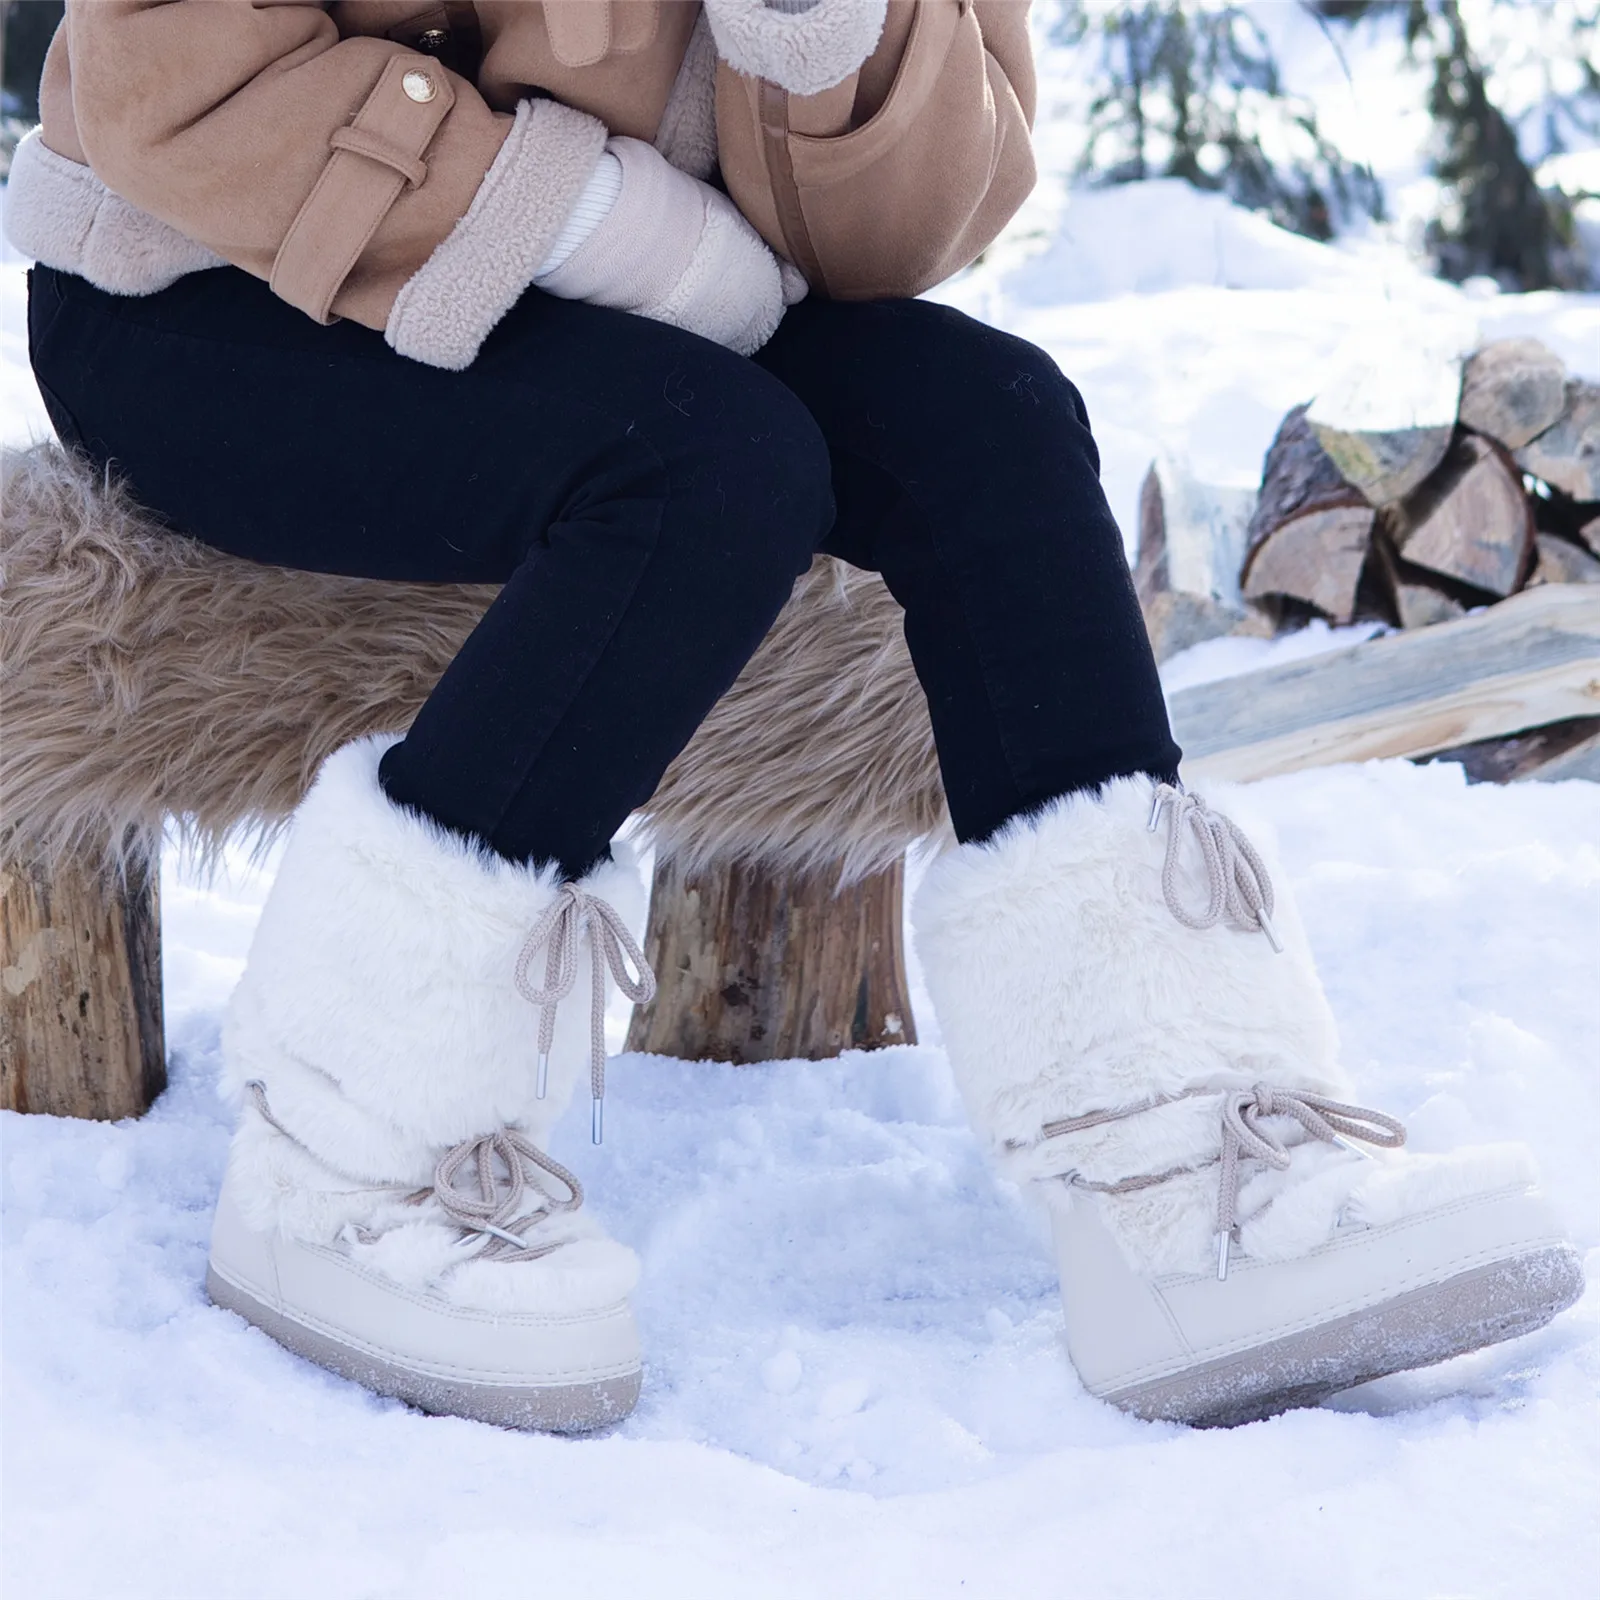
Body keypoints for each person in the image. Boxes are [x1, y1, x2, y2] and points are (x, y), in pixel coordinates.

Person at [11, 1, 1581, 1433]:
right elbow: (180, 85)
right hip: (208, 285)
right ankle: (344, 1159)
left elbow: (915, 227)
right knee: (703, 470)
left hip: (640, 298)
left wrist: (815, 38)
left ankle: (1176, 1162)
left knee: (997, 424)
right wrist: (609, 228)